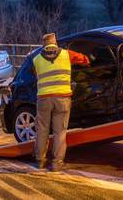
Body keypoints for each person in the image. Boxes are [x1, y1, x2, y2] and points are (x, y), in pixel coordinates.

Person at [33, 33, 90, 171]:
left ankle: (40, 161)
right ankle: (56, 163)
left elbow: (36, 74)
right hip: (62, 99)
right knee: (60, 132)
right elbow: (85, 60)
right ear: (55, 43)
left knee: (42, 130)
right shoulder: (67, 54)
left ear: (44, 44)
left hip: (44, 99)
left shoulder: (36, 59)